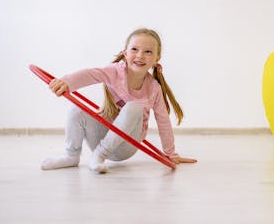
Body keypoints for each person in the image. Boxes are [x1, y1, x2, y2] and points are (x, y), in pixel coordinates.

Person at [41, 28, 196, 173]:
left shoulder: (154, 88)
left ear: (157, 59)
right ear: (125, 52)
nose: (140, 55)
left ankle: (99, 156)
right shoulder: (114, 71)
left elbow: (163, 121)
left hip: (126, 146)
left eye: (148, 52)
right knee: (77, 109)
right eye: (135, 49)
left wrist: (171, 153)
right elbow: (90, 74)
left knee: (134, 107)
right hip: (101, 137)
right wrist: (66, 82)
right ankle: (71, 156)